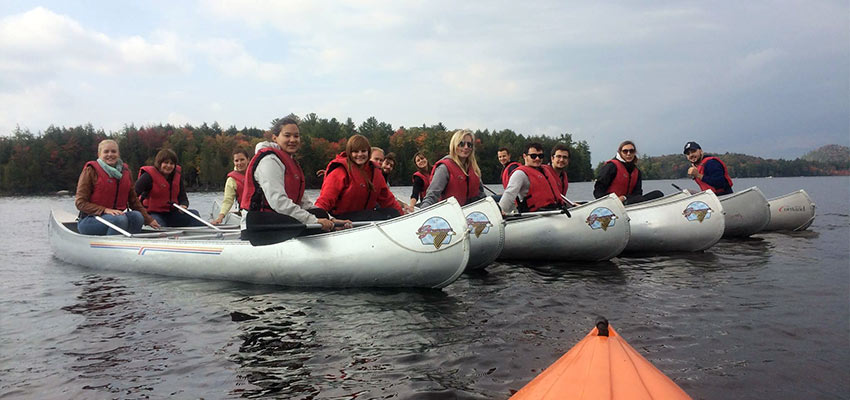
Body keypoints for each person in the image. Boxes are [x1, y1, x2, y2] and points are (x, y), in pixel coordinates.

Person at [241, 117, 348, 234]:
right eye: (287, 135)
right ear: (275, 138)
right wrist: (314, 221)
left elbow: (304, 203)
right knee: (313, 220)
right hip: (258, 223)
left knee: (320, 213)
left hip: (279, 218)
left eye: (296, 136)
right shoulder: (269, 161)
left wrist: (330, 219)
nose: (292, 140)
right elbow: (279, 202)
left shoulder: (290, 162)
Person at [75, 139, 160, 235]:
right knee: (119, 219)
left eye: (113, 151)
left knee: (137, 217)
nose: (110, 154)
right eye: (106, 152)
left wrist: (149, 220)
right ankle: (110, 244)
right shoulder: (90, 171)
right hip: (90, 219)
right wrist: (105, 210)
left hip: (116, 218)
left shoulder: (126, 172)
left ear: (118, 154)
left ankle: (129, 243)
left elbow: (134, 201)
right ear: (99, 154)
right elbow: (80, 203)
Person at [315, 135, 403, 221]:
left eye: (363, 151)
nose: (360, 154)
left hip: (363, 217)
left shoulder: (376, 172)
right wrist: (318, 218)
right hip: (341, 218)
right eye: (355, 151)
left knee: (393, 212)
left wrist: (403, 217)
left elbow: (388, 200)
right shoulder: (340, 171)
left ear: (368, 152)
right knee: (371, 215)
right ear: (349, 153)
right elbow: (325, 199)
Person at [135, 148, 204, 227]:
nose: (169, 166)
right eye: (166, 163)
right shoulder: (147, 177)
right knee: (160, 226)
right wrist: (146, 218)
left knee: (194, 214)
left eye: (172, 163)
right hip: (152, 214)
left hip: (171, 214)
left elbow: (183, 198)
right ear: (159, 163)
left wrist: (183, 205)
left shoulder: (176, 177)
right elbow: (133, 196)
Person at [420, 129, 485, 208]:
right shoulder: (444, 168)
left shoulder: (474, 168)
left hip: (471, 213)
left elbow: (482, 197)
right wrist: (423, 211)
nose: (466, 147)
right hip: (449, 213)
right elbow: (431, 196)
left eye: (469, 144)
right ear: (454, 145)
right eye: (461, 144)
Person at [499, 142, 565, 214]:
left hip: (555, 210)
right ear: (525, 156)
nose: (537, 158)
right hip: (536, 215)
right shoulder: (520, 174)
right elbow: (509, 194)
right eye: (533, 156)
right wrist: (500, 211)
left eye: (540, 156)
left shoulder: (545, 171)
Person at [593, 140, 663, 205]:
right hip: (611, 204)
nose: (628, 154)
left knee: (658, 194)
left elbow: (638, 193)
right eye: (625, 151)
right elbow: (598, 191)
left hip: (628, 202)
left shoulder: (637, 171)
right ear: (620, 152)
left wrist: (624, 198)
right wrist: (613, 201)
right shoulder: (611, 166)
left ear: (634, 153)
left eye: (631, 151)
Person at [211, 147, 250, 225]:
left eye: (242, 160)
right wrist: (220, 217)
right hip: (246, 213)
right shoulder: (231, 180)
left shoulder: (257, 174)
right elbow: (228, 200)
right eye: (236, 161)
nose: (239, 163)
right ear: (233, 162)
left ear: (248, 160)